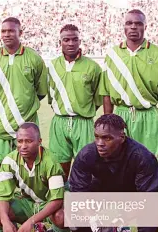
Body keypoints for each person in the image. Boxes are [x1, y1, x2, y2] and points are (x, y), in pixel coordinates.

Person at [99, 9, 158, 232]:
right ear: (123, 27)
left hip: (148, 117)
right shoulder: (112, 55)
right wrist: (107, 128)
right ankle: (120, 225)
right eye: (129, 23)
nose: (133, 27)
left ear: (145, 26)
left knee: (151, 168)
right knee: (119, 170)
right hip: (120, 118)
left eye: (138, 23)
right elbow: (107, 95)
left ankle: (149, 222)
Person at [68, 114, 158, 232]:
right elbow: (77, 193)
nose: (100, 143)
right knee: (72, 211)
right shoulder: (86, 154)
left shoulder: (142, 156)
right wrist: (95, 219)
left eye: (107, 138)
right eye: (97, 137)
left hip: (131, 198)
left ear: (122, 137)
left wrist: (118, 218)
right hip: (101, 197)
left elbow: (149, 199)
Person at [0, 123, 70, 232]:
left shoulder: (51, 161)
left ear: (39, 142)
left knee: (62, 217)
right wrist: (5, 222)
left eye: (29, 141)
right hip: (26, 202)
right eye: (20, 141)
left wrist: (30, 222)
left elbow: (57, 200)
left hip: (47, 203)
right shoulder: (9, 160)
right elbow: (2, 196)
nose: (23, 146)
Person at [0, 17, 48, 173]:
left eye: (11, 30)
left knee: (28, 162)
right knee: (0, 164)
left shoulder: (34, 58)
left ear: (20, 32)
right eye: (3, 31)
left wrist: (25, 103)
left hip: (26, 120)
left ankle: (27, 194)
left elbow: (41, 91)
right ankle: (2, 194)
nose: (6, 34)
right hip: (0, 121)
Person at [46, 24, 102, 185]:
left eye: (74, 39)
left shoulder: (93, 67)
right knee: (59, 167)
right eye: (66, 40)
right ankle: (60, 203)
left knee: (86, 166)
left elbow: (98, 98)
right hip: (59, 122)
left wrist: (82, 110)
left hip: (83, 122)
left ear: (80, 41)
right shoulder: (52, 66)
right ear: (60, 42)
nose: (71, 43)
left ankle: (82, 202)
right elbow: (50, 94)